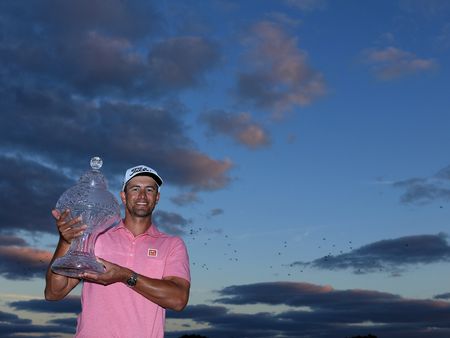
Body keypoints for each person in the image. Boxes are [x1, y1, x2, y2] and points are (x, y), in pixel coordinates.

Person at [45, 165, 190, 337]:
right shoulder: (96, 236)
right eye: (135, 189)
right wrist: (65, 242)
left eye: (149, 189)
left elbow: (178, 299)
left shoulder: (172, 244)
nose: (142, 195)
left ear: (157, 197)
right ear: (123, 196)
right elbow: (54, 292)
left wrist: (124, 275)